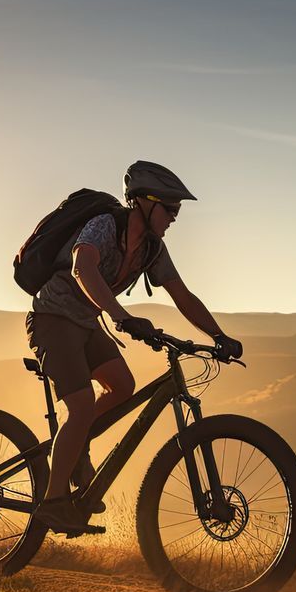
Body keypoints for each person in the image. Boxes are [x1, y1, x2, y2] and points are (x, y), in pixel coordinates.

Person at [27, 161, 242, 534]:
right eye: (171, 208)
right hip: (52, 318)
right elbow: (83, 267)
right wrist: (121, 316)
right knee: (79, 407)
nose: (175, 217)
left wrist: (218, 336)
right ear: (145, 203)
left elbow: (183, 296)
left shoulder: (152, 250)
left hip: (86, 323)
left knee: (122, 387)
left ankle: (76, 450)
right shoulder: (107, 225)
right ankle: (53, 500)